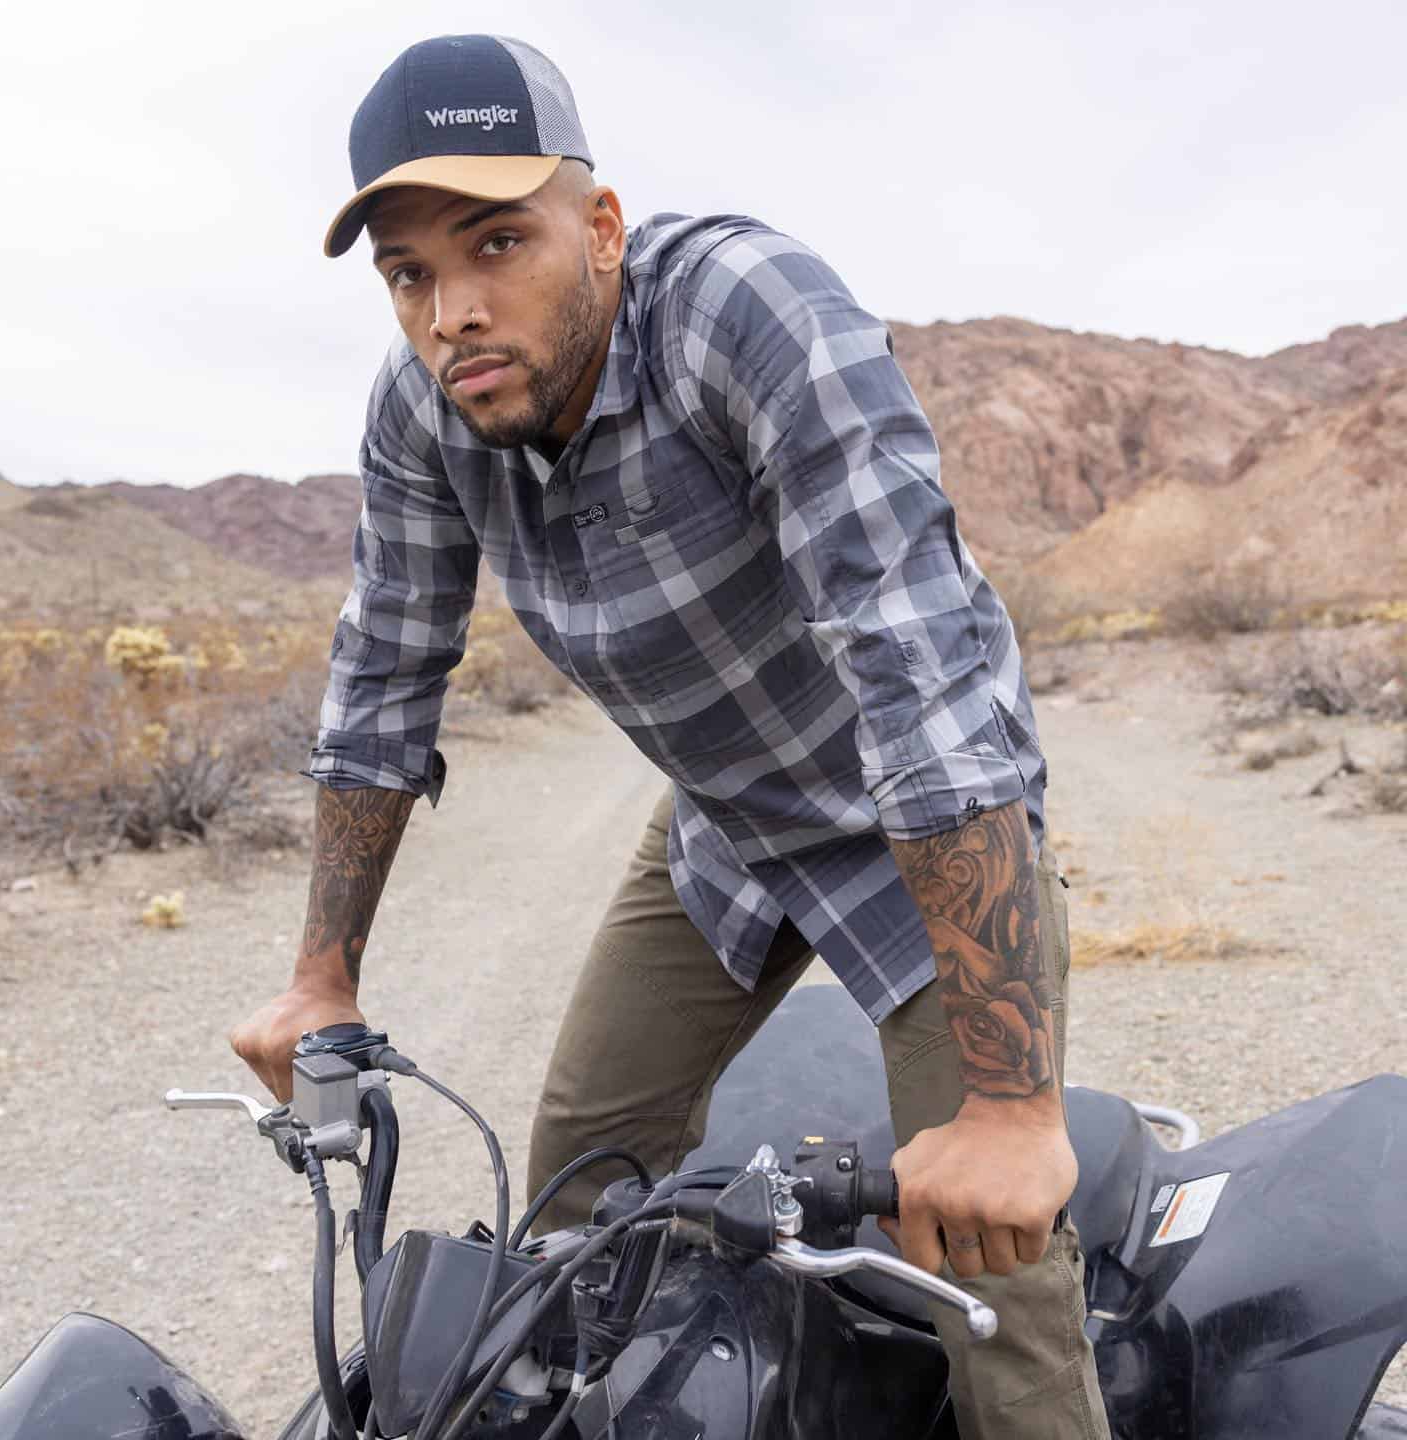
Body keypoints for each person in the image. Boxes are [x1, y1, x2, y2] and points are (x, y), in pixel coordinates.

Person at [230, 34, 1109, 1439]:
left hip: (911, 827)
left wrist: (1008, 1111)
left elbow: (922, 674)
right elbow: (381, 678)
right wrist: (319, 980)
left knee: (994, 1275)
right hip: (721, 822)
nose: (452, 310)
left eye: (495, 241)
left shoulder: (742, 311)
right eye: (409, 272)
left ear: (600, 227)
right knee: (578, 1193)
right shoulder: (423, 413)